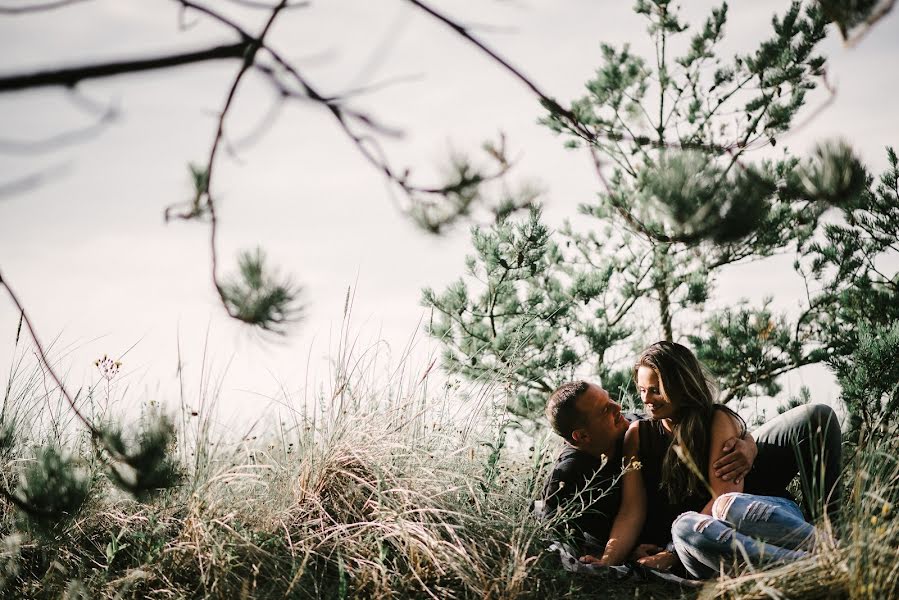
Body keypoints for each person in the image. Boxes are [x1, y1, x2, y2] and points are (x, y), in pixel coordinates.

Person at [585, 341, 841, 578]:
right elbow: (632, 509)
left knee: (726, 507)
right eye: (642, 390)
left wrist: (670, 553)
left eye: (656, 391)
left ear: (681, 386)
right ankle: (812, 565)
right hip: (708, 545)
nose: (646, 400)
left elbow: (724, 498)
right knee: (684, 528)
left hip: (761, 519)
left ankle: (830, 546)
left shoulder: (716, 420)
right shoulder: (638, 435)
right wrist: (608, 561)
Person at [539, 380, 755, 554]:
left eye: (611, 398)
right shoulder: (566, 479)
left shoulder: (634, 426)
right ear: (582, 436)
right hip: (671, 539)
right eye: (606, 409)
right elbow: (557, 542)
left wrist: (748, 444)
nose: (618, 407)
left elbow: (709, 424)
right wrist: (622, 553)